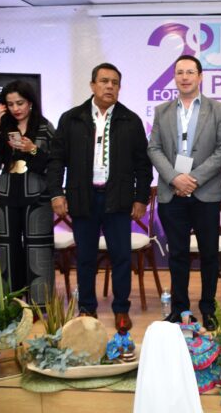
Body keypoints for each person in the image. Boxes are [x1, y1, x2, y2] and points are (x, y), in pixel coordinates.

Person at [48, 63, 152, 330]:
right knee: (85, 257)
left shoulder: (130, 120)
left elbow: (143, 165)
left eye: (115, 83)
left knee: (121, 256)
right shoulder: (72, 119)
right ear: (92, 85)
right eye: (104, 81)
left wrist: (141, 198)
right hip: (83, 197)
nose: (109, 86)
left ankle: (121, 309)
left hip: (118, 199)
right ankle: (87, 308)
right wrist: (56, 193)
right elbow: (56, 160)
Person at [148, 54, 221, 330]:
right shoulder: (162, 111)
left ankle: (208, 307)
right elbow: (154, 148)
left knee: (209, 254)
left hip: (205, 193)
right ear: (174, 77)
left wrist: (193, 178)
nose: (184, 77)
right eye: (179, 73)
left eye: (190, 72)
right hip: (172, 194)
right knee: (177, 255)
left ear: (200, 77)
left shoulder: (217, 109)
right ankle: (180, 309)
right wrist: (175, 178)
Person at [0, 80, 55, 305]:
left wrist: (32, 149)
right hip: (6, 195)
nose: (16, 108)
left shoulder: (45, 127)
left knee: (38, 249)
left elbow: (54, 164)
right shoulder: (2, 128)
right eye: (10, 104)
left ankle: (39, 305)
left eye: (20, 103)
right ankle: (12, 305)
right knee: (8, 249)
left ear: (30, 102)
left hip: (38, 196)